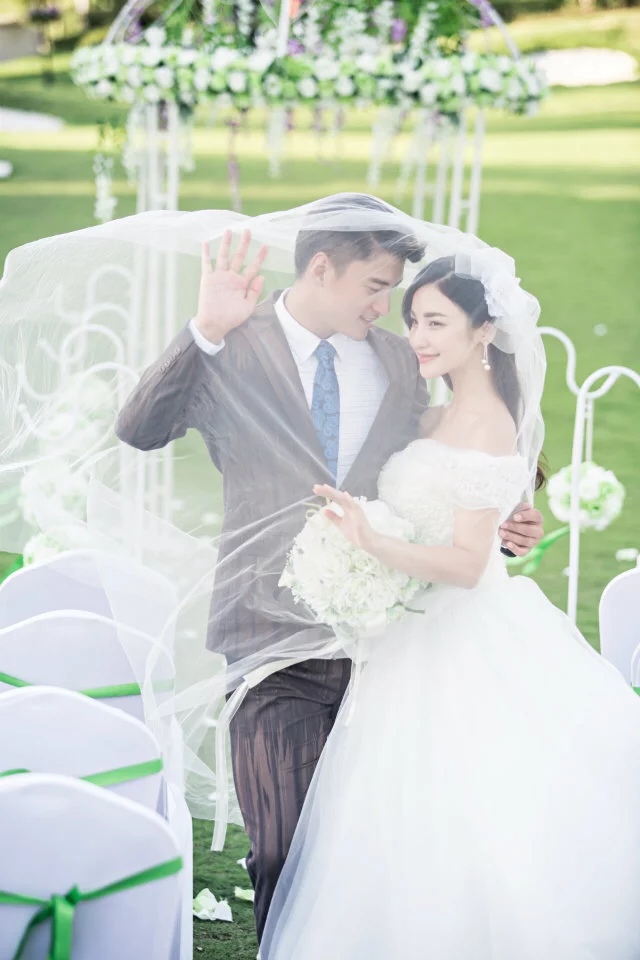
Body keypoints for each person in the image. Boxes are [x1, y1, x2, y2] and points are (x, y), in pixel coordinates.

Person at [113, 194, 544, 943]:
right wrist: (204, 329)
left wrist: (504, 521)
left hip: (385, 648)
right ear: (322, 268)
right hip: (266, 633)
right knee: (281, 847)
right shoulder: (233, 344)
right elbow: (140, 429)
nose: (387, 307)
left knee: (369, 851)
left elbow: (443, 463)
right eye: (376, 286)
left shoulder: (396, 361)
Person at [260, 252, 640, 960]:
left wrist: (372, 542)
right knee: (395, 809)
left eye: (436, 322)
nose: (418, 337)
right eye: (413, 321)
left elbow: (467, 565)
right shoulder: (432, 415)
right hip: (409, 635)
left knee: (467, 801)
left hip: (462, 635)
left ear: (483, 330)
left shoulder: (488, 424)